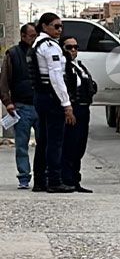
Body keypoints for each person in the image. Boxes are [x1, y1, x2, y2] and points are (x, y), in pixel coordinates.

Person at [28, 12, 76, 193]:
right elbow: (56, 77)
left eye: (61, 26)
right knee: (55, 141)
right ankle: (54, 180)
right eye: (56, 26)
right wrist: (66, 104)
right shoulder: (50, 47)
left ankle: (40, 180)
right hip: (51, 97)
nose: (59, 30)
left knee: (43, 140)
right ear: (44, 26)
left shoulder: (38, 44)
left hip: (41, 97)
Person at [0, 23, 39, 189]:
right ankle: (24, 177)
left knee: (44, 144)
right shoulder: (13, 54)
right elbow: (3, 81)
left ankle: (43, 176)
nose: (34, 38)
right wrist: (8, 102)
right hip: (21, 107)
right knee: (21, 145)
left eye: (35, 35)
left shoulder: (40, 52)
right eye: (31, 35)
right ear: (23, 36)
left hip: (40, 105)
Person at [61, 37, 96, 193]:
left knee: (80, 145)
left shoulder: (79, 66)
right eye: (69, 47)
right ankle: (67, 179)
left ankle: (75, 179)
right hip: (72, 108)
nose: (73, 50)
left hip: (84, 108)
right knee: (70, 145)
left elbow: (90, 84)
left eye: (76, 47)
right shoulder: (63, 67)